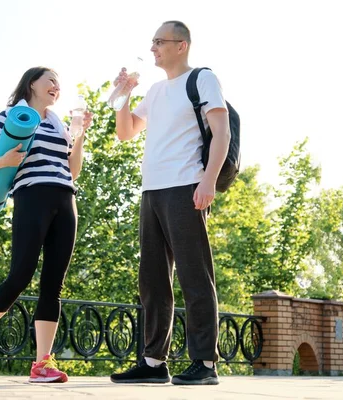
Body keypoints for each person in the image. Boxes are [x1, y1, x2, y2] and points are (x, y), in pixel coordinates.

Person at [109, 21, 230, 386]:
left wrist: (208, 179)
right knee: (152, 280)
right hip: (152, 191)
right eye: (152, 42)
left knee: (195, 275)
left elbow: (221, 132)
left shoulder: (203, 79)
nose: (153, 48)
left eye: (160, 42)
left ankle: (205, 363)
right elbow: (126, 131)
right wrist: (123, 95)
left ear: (182, 45)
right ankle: (152, 360)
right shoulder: (157, 90)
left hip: (186, 186)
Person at [0, 67, 93, 383]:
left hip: (65, 198)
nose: (57, 86)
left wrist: (80, 135)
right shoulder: (11, 116)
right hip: (32, 195)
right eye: (51, 80)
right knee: (20, 274)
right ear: (32, 83)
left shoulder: (59, 123)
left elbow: (73, 170)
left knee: (53, 284)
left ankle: (42, 363)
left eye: (59, 83)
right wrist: (6, 161)